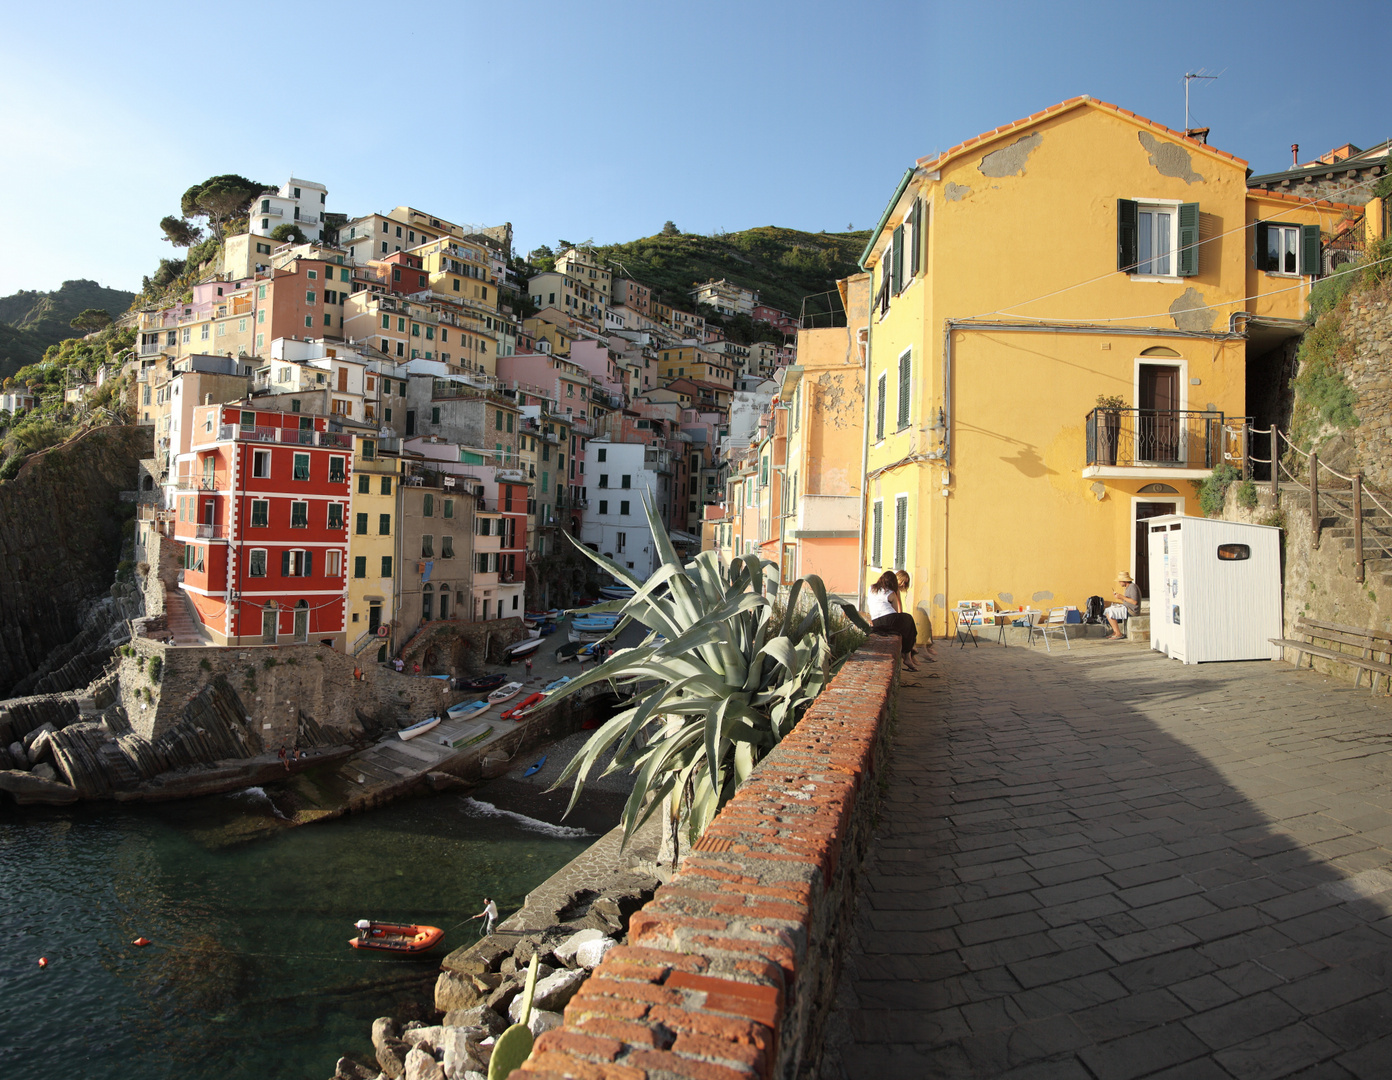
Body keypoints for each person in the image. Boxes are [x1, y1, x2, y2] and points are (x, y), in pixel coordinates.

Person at [868, 571, 918, 671]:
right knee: (909, 620)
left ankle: (908, 654)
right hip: (889, 619)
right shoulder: (890, 593)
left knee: (904, 628)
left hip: (876, 622)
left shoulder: (871, 589)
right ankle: (908, 655)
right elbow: (896, 611)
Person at [895, 570, 934, 660]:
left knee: (910, 625)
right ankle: (910, 653)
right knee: (909, 626)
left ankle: (912, 651)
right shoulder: (895, 589)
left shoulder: (893, 588)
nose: (904, 585)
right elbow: (899, 606)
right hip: (891, 617)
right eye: (903, 582)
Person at [1104, 571, 1141, 639]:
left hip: (1132, 610)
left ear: (1124, 581)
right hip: (1127, 607)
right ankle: (1115, 631)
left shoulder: (1133, 587)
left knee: (1109, 612)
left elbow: (1134, 602)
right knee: (1108, 610)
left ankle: (1118, 633)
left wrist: (1122, 597)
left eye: (1120, 581)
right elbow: (1127, 600)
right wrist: (1119, 598)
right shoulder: (1128, 587)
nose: (1119, 583)